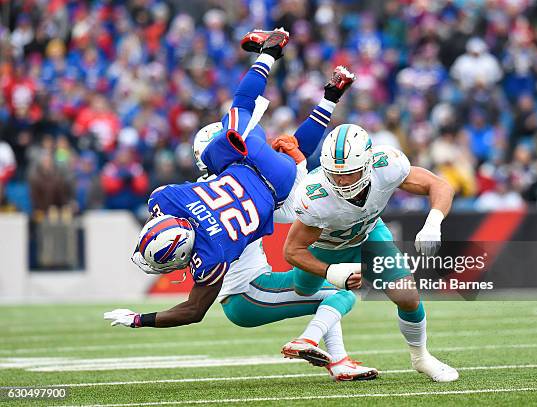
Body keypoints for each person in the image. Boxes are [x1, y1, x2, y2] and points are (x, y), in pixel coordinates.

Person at [104, 29, 376, 381]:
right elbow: (300, 177)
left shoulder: (206, 224)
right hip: (248, 290)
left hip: (248, 265)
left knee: (327, 280)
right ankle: (275, 58)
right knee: (339, 291)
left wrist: (140, 318)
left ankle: (338, 362)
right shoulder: (182, 197)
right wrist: (323, 109)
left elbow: (193, 308)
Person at [283, 124, 459, 382]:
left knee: (408, 296)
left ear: (367, 164)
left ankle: (421, 357)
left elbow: (439, 185)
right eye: (335, 174)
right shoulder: (315, 195)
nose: (341, 180)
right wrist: (329, 271)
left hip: (368, 236)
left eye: (350, 173)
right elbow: (292, 250)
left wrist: (433, 222)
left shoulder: (386, 165)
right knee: (304, 291)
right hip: (325, 248)